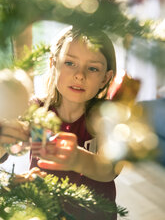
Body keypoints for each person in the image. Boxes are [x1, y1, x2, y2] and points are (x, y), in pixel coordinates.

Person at [0, 26, 119, 219]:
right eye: (70, 63)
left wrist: (76, 159)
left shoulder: (106, 116)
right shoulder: (38, 111)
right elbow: (10, 143)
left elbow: (109, 169)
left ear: (105, 77)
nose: (80, 75)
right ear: (53, 64)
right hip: (44, 211)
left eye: (92, 68)